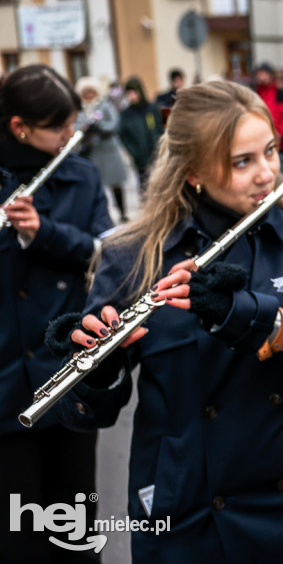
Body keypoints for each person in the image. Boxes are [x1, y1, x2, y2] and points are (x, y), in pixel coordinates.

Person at [51, 80, 283, 562]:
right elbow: (86, 415)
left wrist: (244, 314)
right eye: (242, 161)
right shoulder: (134, 256)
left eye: (270, 151)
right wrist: (97, 371)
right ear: (192, 173)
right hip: (185, 505)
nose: (267, 173)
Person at [0, 65, 113, 562]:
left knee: (75, 529)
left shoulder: (82, 175)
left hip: (65, 374)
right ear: (19, 127)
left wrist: (42, 233)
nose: (72, 135)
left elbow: (106, 255)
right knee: (17, 534)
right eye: (59, 127)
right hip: (3, 385)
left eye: (74, 122)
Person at [75, 76, 130, 222]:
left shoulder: (105, 106)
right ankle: (103, 215)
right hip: (91, 152)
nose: (89, 95)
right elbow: (75, 128)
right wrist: (85, 131)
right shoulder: (79, 110)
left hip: (108, 150)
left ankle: (122, 211)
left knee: (116, 184)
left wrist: (100, 127)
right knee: (96, 186)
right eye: (86, 92)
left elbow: (114, 123)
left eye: (91, 92)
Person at [117, 75, 163, 191]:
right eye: (129, 93)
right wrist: (134, 153)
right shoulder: (126, 114)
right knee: (145, 188)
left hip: (157, 155)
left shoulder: (152, 109)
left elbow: (160, 128)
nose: (132, 96)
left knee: (160, 186)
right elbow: (124, 137)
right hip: (140, 159)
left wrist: (161, 147)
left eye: (134, 92)